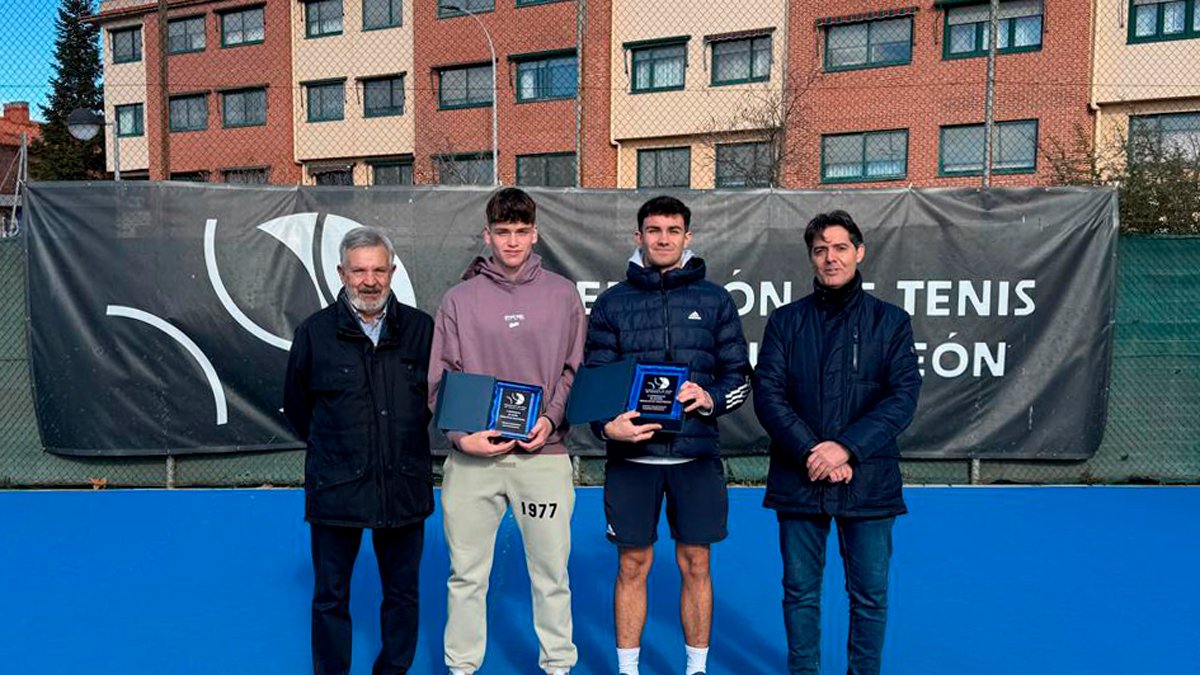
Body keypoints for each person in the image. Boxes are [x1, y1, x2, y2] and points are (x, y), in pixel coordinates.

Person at [584, 195, 752, 675]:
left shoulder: (715, 299)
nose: (663, 238)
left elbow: (739, 377)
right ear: (638, 237)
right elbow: (596, 382)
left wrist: (711, 399)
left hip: (695, 458)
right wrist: (606, 425)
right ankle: (629, 669)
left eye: (672, 230)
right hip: (632, 462)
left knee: (696, 563)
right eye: (653, 230)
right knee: (632, 565)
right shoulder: (614, 302)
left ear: (687, 237)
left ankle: (695, 669)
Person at [754, 210, 922, 675]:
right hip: (799, 476)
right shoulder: (786, 322)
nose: (831, 258)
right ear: (811, 257)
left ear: (859, 251)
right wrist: (815, 452)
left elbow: (903, 397)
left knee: (869, 595)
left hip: (868, 479)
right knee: (800, 592)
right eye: (821, 250)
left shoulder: (890, 322)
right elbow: (767, 395)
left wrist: (845, 448)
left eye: (840, 248)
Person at [428, 188, 585, 675]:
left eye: (521, 232)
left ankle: (558, 665)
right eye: (503, 232)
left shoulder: (562, 294)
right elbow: (442, 377)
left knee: (551, 575)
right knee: (466, 576)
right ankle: (461, 667)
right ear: (487, 235)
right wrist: (461, 437)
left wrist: (550, 419)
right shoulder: (458, 299)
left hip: (544, 458)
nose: (512, 242)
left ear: (534, 234)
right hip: (474, 461)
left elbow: (573, 368)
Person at [283, 227, 435, 675]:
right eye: (359, 271)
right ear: (341, 274)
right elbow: (298, 408)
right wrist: (344, 449)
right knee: (331, 595)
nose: (369, 281)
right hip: (337, 487)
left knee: (403, 592)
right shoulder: (314, 333)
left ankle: (393, 669)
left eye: (378, 270)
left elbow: (432, 401)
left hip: (404, 483)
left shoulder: (421, 329)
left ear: (391, 272)